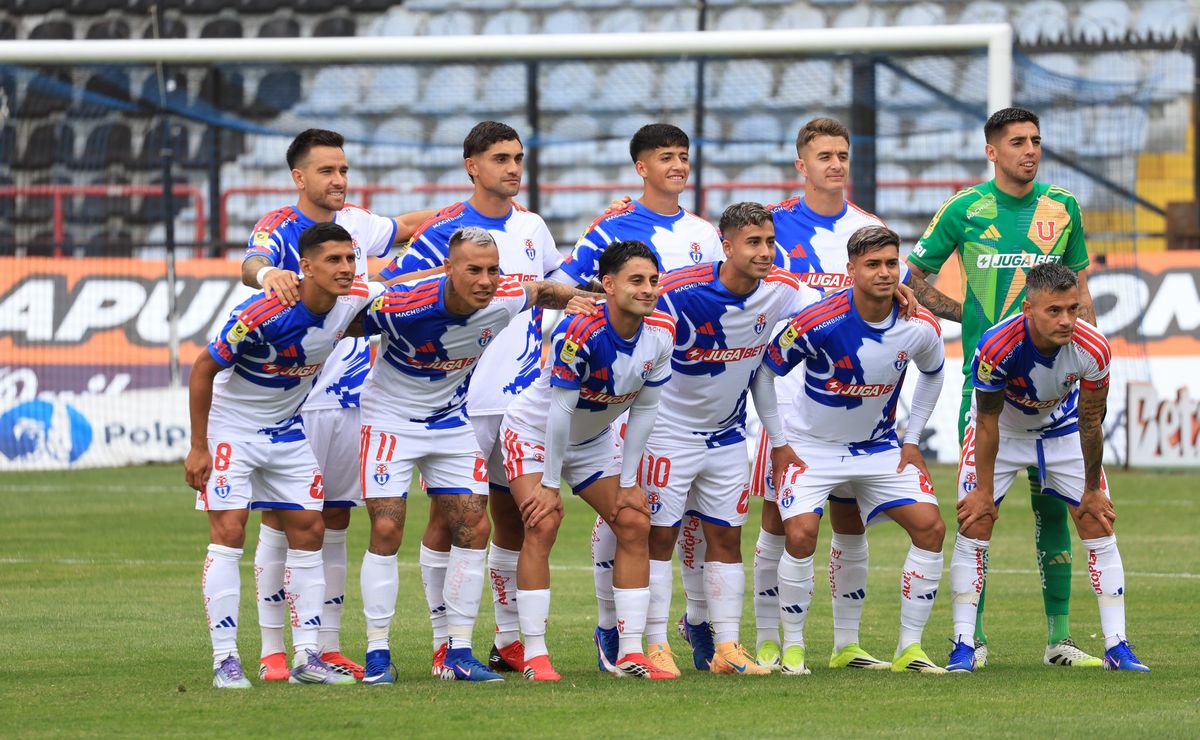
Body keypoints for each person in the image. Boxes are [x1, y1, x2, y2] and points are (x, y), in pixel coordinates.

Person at [356, 226, 598, 685]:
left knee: (475, 525)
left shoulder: (505, 295)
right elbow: (343, 323)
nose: (486, 280)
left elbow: (542, 289)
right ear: (449, 269)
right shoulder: (404, 305)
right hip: (390, 418)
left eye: (493, 270)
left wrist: (583, 298)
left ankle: (458, 651)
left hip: (450, 420)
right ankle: (377, 652)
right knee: (387, 527)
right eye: (474, 270)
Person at [906, 107, 1100, 669]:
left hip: (1055, 392)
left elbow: (1080, 293)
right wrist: (964, 311)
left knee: (1056, 512)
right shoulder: (965, 209)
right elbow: (914, 279)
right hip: (987, 386)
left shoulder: (1062, 208)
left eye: (1036, 141)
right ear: (993, 151)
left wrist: (1086, 353)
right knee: (978, 512)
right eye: (1017, 142)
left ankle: (1060, 639)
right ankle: (974, 638)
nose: (1030, 150)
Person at [238, 128, 433, 681]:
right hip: (293, 399)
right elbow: (252, 263)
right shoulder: (280, 227)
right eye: (326, 171)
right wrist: (269, 274)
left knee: (337, 519)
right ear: (299, 177)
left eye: (343, 169)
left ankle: (323, 645)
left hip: (352, 400)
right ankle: (274, 650)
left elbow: (413, 226)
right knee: (281, 521)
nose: (339, 180)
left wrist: (493, 206)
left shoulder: (360, 225)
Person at [376, 121, 567, 677]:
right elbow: (399, 299)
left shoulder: (532, 226)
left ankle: (508, 640)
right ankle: (445, 644)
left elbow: (559, 283)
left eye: (519, 158)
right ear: (471, 165)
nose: (513, 168)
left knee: (513, 520)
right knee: (449, 519)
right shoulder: (443, 231)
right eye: (501, 158)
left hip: (524, 398)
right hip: (460, 401)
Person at [557, 123, 724, 672]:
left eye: (684, 156)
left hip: (694, 393)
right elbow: (565, 286)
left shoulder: (704, 232)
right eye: (665, 157)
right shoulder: (611, 226)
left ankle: (695, 623)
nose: (678, 165)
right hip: (628, 395)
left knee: (697, 520)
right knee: (628, 514)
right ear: (641, 168)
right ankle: (614, 628)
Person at [186, 222, 382, 688]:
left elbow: (401, 282)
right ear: (305, 266)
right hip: (232, 430)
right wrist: (198, 446)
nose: (345, 268)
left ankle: (307, 657)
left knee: (311, 529)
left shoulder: (352, 298)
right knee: (229, 531)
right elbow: (202, 369)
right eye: (333, 260)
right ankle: (225, 659)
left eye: (350, 259)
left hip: (287, 433)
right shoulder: (262, 312)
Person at [750, 117, 914, 671]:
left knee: (850, 519)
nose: (835, 164)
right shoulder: (773, 228)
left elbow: (895, 294)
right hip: (786, 401)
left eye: (842, 154)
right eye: (823, 156)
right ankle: (770, 638)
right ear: (802, 164)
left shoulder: (869, 227)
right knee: (780, 520)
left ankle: (847, 644)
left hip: (855, 409)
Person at [752, 225, 947, 675]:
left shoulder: (918, 324)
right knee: (798, 534)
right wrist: (780, 444)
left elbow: (933, 373)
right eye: (873, 265)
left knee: (931, 528)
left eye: (891, 264)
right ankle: (793, 648)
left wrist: (913, 438)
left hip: (878, 447)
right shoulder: (817, 321)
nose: (884, 273)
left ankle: (907, 649)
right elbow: (765, 374)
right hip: (810, 447)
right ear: (851, 270)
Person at [639, 202, 821, 678]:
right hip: (667, 432)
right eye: (753, 242)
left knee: (726, 536)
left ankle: (726, 647)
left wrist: (899, 292)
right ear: (727, 245)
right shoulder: (679, 291)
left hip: (726, 437)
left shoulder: (781, 289)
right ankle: (655, 644)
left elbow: (834, 310)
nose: (765, 252)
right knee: (660, 536)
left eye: (769, 241)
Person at [946, 262, 1147, 673]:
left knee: (1097, 519)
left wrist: (1092, 488)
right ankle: (964, 644)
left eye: (1072, 309)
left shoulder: (1093, 348)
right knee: (975, 522)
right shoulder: (996, 345)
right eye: (1054, 310)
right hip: (1002, 429)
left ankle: (1116, 646)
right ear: (1028, 308)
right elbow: (985, 420)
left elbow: (1091, 421)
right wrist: (983, 491)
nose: (1067, 320)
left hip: (1062, 430)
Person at [500, 240, 675, 681]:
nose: (648, 289)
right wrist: (549, 483)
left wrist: (631, 480)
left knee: (635, 521)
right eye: (636, 280)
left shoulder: (662, 333)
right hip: (536, 434)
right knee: (543, 522)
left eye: (653, 280)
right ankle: (536, 655)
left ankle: (631, 650)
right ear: (609, 284)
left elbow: (646, 409)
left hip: (594, 439)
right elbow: (559, 411)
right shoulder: (577, 331)